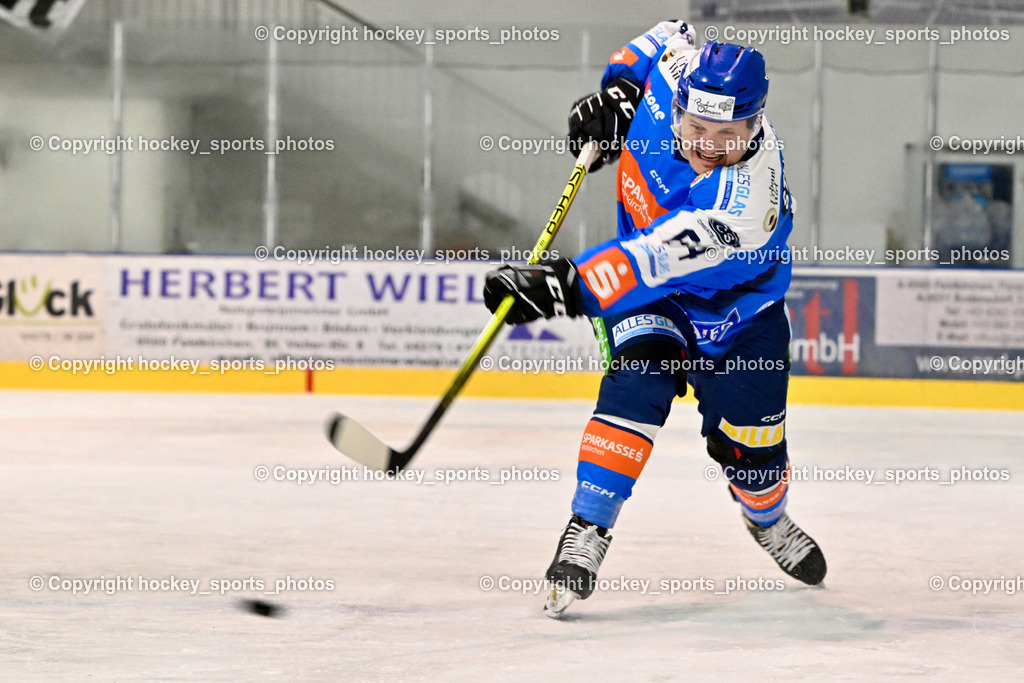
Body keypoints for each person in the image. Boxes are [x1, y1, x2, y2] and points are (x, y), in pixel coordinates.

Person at [484, 20, 826, 617]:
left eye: (729, 135)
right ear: (682, 104)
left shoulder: (747, 198)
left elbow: (658, 255)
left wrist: (569, 286)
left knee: (752, 454)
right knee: (633, 391)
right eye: (696, 127)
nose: (709, 144)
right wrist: (616, 94)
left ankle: (767, 518)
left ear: (756, 124)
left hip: (739, 315)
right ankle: (587, 530)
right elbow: (667, 32)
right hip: (653, 302)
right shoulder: (674, 70)